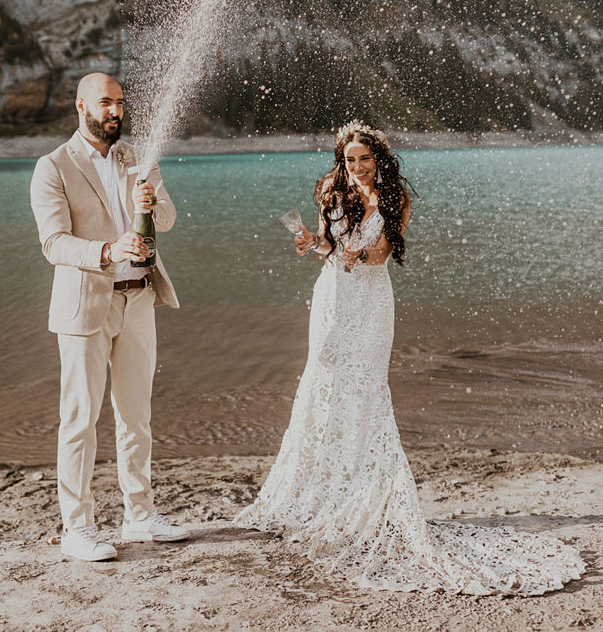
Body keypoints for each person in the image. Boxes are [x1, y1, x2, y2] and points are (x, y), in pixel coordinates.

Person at [234, 120, 584, 594]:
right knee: (324, 382)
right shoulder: (329, 191)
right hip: (334, 300)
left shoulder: (397, 198)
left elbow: (378, 257)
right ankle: (323, 489)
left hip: (372, 303)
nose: (356, 167)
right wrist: (309, 243)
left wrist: (355, 249)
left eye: (364, 159)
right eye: (349, 159)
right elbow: (325, 249)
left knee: (368, 389)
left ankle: (368, 491)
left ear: (378, 159)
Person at [30, 72, 189, 562]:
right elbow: (53, 243)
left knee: (135, 416)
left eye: (120, 103)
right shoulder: (52, 166)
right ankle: (77, 528)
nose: (115, 111)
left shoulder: (137, 157)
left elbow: (167, 218)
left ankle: (139, 516)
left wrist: (151, 203)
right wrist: (107, 249)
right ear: (81, 106)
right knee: (79, 420)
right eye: (105, 103)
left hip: (139, 298)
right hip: (85, 307)